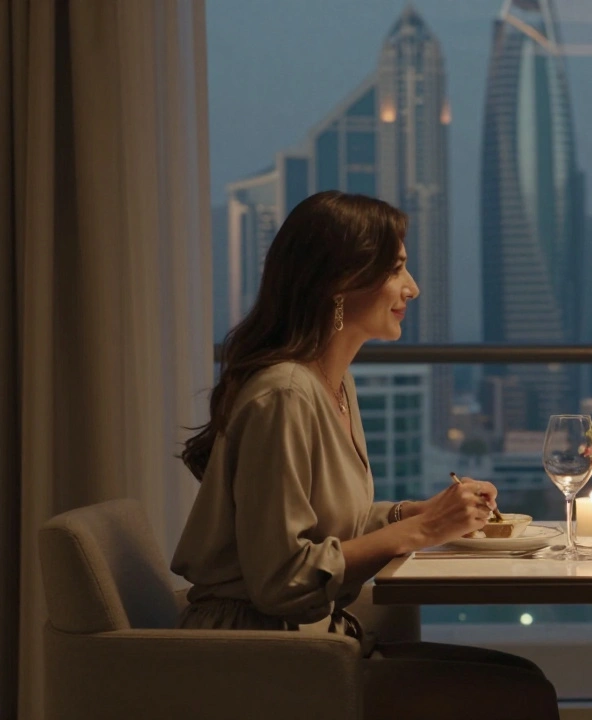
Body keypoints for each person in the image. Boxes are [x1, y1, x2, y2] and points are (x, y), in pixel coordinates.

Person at [173, 190, 560, 720]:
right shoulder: (284, 395)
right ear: (340, 282)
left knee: (526, 680)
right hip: (257, 655)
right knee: (522, 696)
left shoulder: (333, 384)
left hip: (311, 640)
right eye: (396, 269)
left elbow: (328, 527)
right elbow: (281, 581)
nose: (412, 287)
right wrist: (422, 531)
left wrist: (416, 513)